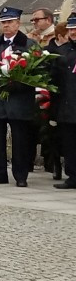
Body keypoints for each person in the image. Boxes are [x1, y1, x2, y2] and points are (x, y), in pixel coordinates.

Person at [0, 6, 37, 187]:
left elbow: (37, 74)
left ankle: (21, 175)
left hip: (20, 101)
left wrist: (20, 84)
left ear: (18, 23)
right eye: (4, 22)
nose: (7, 26)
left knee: (20, 140)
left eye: (10, 22)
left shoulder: (29, 45)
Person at [51, 13, 76, 189]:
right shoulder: (63, 52)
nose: (73, 32)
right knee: (69, 144)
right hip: (67, 106)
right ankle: (73, 176)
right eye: (71, 29)